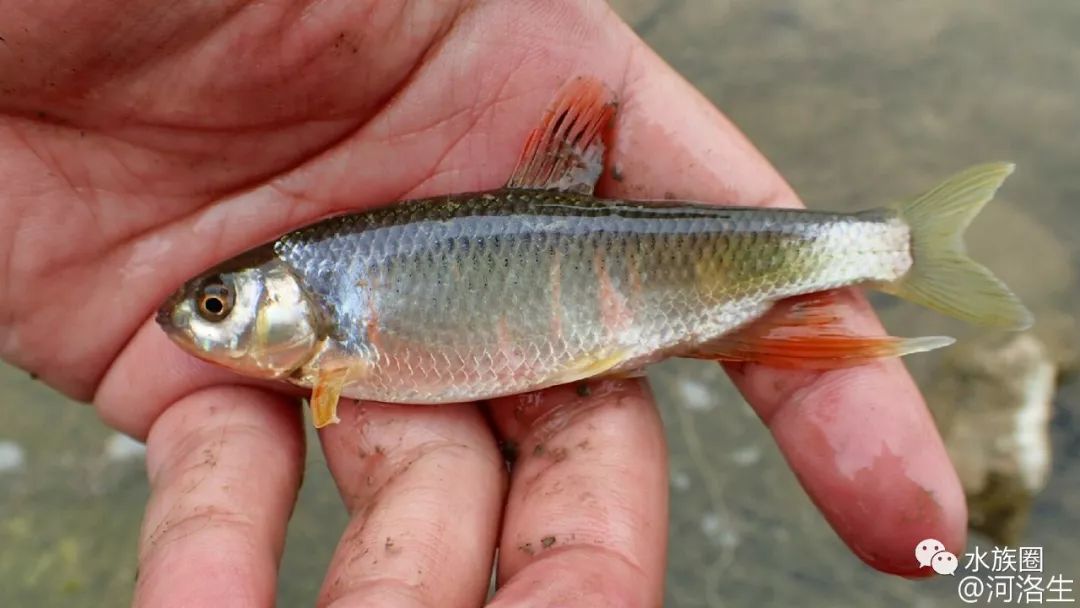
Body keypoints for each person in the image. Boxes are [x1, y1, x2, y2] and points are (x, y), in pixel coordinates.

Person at [0, 1, 965, 605]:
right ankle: (887, 246)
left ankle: (887, 245)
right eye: (214, 311)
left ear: (287, 296)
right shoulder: (327, 330)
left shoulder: (332, 322)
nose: (197, 324)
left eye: (217, 307)